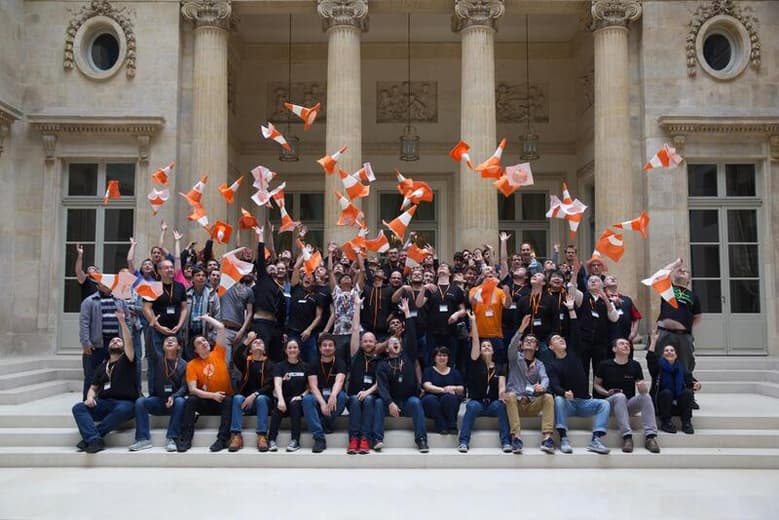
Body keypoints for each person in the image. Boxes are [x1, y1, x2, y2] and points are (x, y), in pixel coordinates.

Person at [547, 294, 611, 454]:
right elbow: (554, 385)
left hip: (584, 402)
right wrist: (564, 393)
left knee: (604, 404)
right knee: (558, 400)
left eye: (561, 338)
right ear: (550, 347)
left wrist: (571, 309)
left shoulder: (574, 352)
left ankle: (596, 439)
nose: (561, 339)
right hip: (568, 403)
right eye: (556, 339)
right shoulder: (552, 365)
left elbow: (576, 331)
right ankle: (563, 438)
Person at [72, 309, 137, 453]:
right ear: (108, 348)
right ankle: (94, 439)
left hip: (126, 403)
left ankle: (93, 437)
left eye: (118, 340)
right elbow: (93, 387)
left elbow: (129, 343)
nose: (115, 341)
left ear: (123, 347)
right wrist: (90, 397)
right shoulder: (102, 366)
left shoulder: (128, 360)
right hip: (105, 403)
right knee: (79, 408)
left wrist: (122, 322)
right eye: (113, 341)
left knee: (122, 409)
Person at [375, 298, 429, 452]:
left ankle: (421, 440)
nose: (395, 344)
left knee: (416, 403)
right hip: (390, 402)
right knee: (378, 403)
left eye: (397, 343)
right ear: (387, 349)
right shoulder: (382, 364)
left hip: (407, 401)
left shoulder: (408, 356)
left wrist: (407, 314)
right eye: (392, 343)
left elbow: (411, 335)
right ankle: (377, 439)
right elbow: (382, 387)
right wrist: (390, 403)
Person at [176, 315, 234, 452]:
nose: (203, 343)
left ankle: (222, 440)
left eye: (204, 340)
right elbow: (193, 390)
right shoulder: (192, 364)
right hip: (207, 401)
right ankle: (186, 439)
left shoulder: (218, 352)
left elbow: (221, 327)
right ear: (195, 350)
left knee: (229, 400)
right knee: (191, 400)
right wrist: (212, 395)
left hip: (222, 399)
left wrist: (207, 318)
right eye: (199, 343)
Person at [594, 338, 660, 453]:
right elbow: (596, 384)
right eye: (622, 344)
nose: (626, 346)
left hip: (627, 404)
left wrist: (643, 388)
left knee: (646, 397)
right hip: (609, 404)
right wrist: (606, 393)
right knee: (620, 396)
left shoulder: (635, 365)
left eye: (628, 344)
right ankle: (627, 437)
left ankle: (650, 437)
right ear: (614, 349)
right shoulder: (604, 365)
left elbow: (642, 390)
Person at [458, 311, 511, 453]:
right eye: (484, 346)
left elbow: (502, 386)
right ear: (480, 351)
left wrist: (502, 395)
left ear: (493, 351)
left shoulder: (500, 367)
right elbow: (475, 341)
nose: (486, 347)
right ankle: (463, 442)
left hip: (493, 403)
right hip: (477, 402)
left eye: (489, 346)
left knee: (501, 406)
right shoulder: (475, 362)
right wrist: (474, 322)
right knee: (471, 406)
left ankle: (506, 442)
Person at [504, 315, 556, 454]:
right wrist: (521, 329)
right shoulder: (514, 358)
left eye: (532, 341)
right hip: (515, 403)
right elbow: (511, 346)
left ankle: (547, 438)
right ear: (521, 345)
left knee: (548, 397)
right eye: (526, 340)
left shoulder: (539, 364)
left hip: (531, 402)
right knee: (510, 395)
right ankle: (516, 438)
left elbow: (545, 378)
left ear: (537, 347)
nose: (529, 341)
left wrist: (542, 386)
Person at [130, 335, 187, 452]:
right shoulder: (157, 359)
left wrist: (174, 396)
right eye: (167, 340)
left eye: (173, 340)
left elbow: (184, 387)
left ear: (179, 347)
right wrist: (150, 327)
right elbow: (149, 345)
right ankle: (143, 439)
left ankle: (172, 438)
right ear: (162, 346)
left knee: (181, 401)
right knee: (140, 401)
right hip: (158, 401)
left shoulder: (184, 364)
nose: (169, 341)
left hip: (174, 403)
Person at [79, 278, 131, 399]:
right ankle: (88, 400)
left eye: (109, 283)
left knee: (117, 372)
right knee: (92, 374)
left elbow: (128, 320)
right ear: (98, 286)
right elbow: (84, 323)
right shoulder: (89, 301)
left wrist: (126, 339)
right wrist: (86, 342)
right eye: (103, 284)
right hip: (97, 344)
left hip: (116, 343)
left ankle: (112, 399)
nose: (107, 286)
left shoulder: (120, 301)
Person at [654, 261, 702, 394]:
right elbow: (661, 274)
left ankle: (687, 396)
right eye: (679, 271)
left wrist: (685, 327)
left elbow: (697, 317)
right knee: (660, 363)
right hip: (664, 333)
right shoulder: (668, 289)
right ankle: (659, 395)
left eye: (685, 271)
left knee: (686, 366)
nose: (682, 271)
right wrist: (676, 264)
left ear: (689, 280)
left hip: (683, 336)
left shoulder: (693, 296)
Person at [143, 259, 188, 394]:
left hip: (176, 332)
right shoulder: (152, 286)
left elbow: (184, 308)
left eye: (171, 267)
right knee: (155, 363)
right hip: (158, 332)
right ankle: (153, 394)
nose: (170, 270)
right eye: (166, 268)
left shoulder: (180, 287)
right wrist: (158, 326)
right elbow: (146, 308)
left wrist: (179, 325)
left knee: (176, 364)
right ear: (159, 271)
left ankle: (175, 394)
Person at [347, 293, 382, 454]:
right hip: (354, 396)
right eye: (365, 341)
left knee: (368, 400)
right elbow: (355, 329)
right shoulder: (356, 355)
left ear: (375, 344)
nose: (368, 343)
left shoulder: (380, 360)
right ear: (361, 343)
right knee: (355, 400)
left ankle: (365, 440)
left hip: (370, 396)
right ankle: (353, 439)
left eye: (371, 341)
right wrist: (356, 306)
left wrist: (367, 392)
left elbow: (380, 383)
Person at [228, 333, 275, 452]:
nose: (258, 343)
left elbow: (269, 386)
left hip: (263, 402)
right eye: (255, 342)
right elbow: (236, 356)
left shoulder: (270, 364)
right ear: (250, 349)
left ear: (264, 350)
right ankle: (236, 435)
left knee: (261, 398)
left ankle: (262, 436)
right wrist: (248, 340)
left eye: (261, 342)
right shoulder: (246, 362)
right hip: (246, 403)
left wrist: (254, 395)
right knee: (237, 398)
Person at [302, 333, 348, 453]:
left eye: (330, 345)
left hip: (334, 396)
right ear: (319, 348)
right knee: (307, 400)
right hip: (319, 396)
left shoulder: (340, 362)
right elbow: (313, 386)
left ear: (335, 347)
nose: (327, 348)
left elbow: (339, 381)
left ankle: (325, 422)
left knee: (342, 397)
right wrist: (322, 403)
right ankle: (319, 438)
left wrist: (333, 395)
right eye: (324, 345)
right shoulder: (313, 363)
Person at [647, 331, 699, 435]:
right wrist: (653, 341)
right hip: (663, 405)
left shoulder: (681, 369)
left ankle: (686, 422)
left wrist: (696, 385)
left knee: (687, 393)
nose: (669, 352)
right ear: (663, 354)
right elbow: (650, 358)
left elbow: (691, 382)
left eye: (672, 350)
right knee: (667, 392)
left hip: (678, 404)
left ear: (676, 355)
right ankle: (666, 422)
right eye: (666, 350)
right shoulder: (658, 368)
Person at [268, 339, 310, 452]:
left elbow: (310, 387)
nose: (292, 350)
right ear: (286, 350)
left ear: (299, 350)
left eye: (295, 347)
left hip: (298, 400)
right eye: (290, 348)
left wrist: (301, 396)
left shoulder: (305, 366)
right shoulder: (279, 366)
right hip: (284, 399)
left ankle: (295, 440)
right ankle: (271, 440)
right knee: (278, 407)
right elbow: (277, 384)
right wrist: (281, 400)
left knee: (295, 404)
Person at [576, 275, 619, 383]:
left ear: (602, 285)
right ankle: (583, 393)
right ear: (587, 285)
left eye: (596, 280)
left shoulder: (607, 300)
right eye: (591, 280)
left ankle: (598, 393)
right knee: (583, 370)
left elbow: (614, 318)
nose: (593, 282)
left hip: (600, 342)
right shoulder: (582, 296)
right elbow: (572, 289)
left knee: (599, 371)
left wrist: (605, 298)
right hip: (584, 340)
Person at [252, 226, 286, 362]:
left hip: (275, 326)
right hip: (261, 323)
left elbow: (282, 314)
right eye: (269, 267)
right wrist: (260, 237)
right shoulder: (263, 279)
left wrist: (282, 331)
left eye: (274, 267)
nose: (272, 268)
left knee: (275, 357)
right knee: (261, 354)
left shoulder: (280, 289)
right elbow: (261, 258)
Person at [469, 266, 511, 363]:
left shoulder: (500, 292)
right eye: (487, 269)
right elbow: (472, 301)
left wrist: (508, 294)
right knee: (476, 364)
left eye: (492, 270)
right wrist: (485, 286)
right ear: (482, 275)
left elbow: (507, 305)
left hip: (495, 335)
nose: (490, 271)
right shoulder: (475, 290)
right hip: (477, 334)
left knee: (497, 364)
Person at [421, 346, 464, 434]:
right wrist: (443, 390)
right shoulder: (428, 371)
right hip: (433, 398)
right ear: (434, 358)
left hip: (449, 399)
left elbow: (461, 388)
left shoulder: (455, 372)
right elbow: (427, 386)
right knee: (429, 399)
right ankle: (441, 426)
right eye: (439, 355)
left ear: (448, 358)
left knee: (449, 398)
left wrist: (454, 388)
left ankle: (452, 426)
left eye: (444, 355)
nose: (442, 358)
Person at [184, 266, 221, 360]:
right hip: (190, 332)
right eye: (198, 275)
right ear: (192, 278)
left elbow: (217, 316)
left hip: (206, 333)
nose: (201, 277)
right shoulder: (186, 293)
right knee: (190, 360)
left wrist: (213, 336)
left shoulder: (213, 294)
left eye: (203, 275)